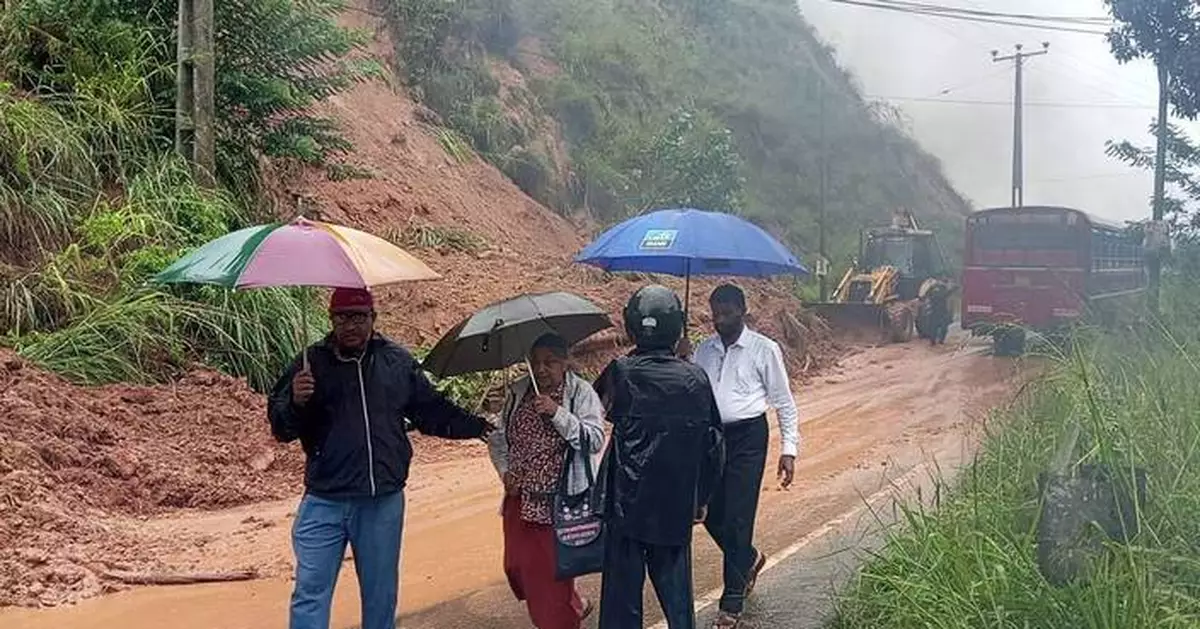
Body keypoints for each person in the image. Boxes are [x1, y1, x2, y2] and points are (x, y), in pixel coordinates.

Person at [268, 287, 492, 629]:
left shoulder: (396, 362)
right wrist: (296, 402)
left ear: (373, 318)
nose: (350, 325)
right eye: (342, 317)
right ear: (332, 321)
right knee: (310, 591)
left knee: (380, 594)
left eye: (358, 317)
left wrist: (479, 427)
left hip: (381, 502)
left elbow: (430, 412)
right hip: (324, 501)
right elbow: (282, 429)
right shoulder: (308, 363)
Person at [594, 284, 725, 629]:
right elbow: (713, 445)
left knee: (621, 602)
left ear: (630, 325)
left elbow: (597, 406)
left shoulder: (619, 371)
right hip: (675, 502)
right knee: (678, 598)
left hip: (626, 503)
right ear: (677, 327)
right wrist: (702, 497)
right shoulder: (695, 378)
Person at [691, 283, 800, 629]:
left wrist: (789, 450)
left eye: (727, 312)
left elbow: (783, 401)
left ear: (742, 311)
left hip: (749, 438)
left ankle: (731, 604)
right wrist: (681, 361)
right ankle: (749, 557)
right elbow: (691, 393)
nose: (720, 319)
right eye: (715, 313)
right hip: (712, 437)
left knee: (739, 517)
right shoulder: (702, 351)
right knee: (706, 511)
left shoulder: (763, 349)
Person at [487, 333, 606, 629]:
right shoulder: (517, 392)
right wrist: (505, 472)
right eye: (536, 362)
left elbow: (594, 439)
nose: (541, 369)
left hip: (557, 504)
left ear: (565, 362)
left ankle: (563, 615)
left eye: (550, 362)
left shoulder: (580, 393)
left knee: (548, 584)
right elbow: (497, 438)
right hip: (520, 500)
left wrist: (557, 413)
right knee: (516, 569)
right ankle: (574, 603)